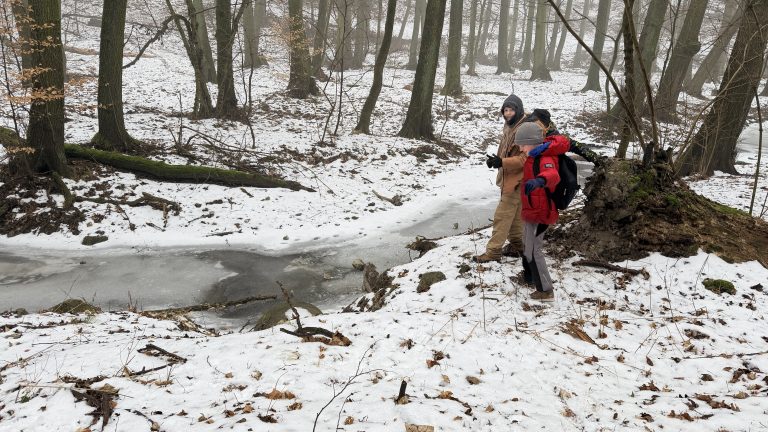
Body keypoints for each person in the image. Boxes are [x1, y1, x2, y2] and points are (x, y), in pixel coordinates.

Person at [473, 94, 527, 263]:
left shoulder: (525, 129)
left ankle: (493, 252)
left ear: (518, 111)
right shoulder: (509, 126)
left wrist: (503, 161)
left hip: (518, 181)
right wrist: (496, 161)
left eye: (511, 110)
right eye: (505, 110)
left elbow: (526, 158)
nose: (508, 113)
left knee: (502, 216)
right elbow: (504, 148)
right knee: (516, 217)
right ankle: (521, 246)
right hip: (510, 178)